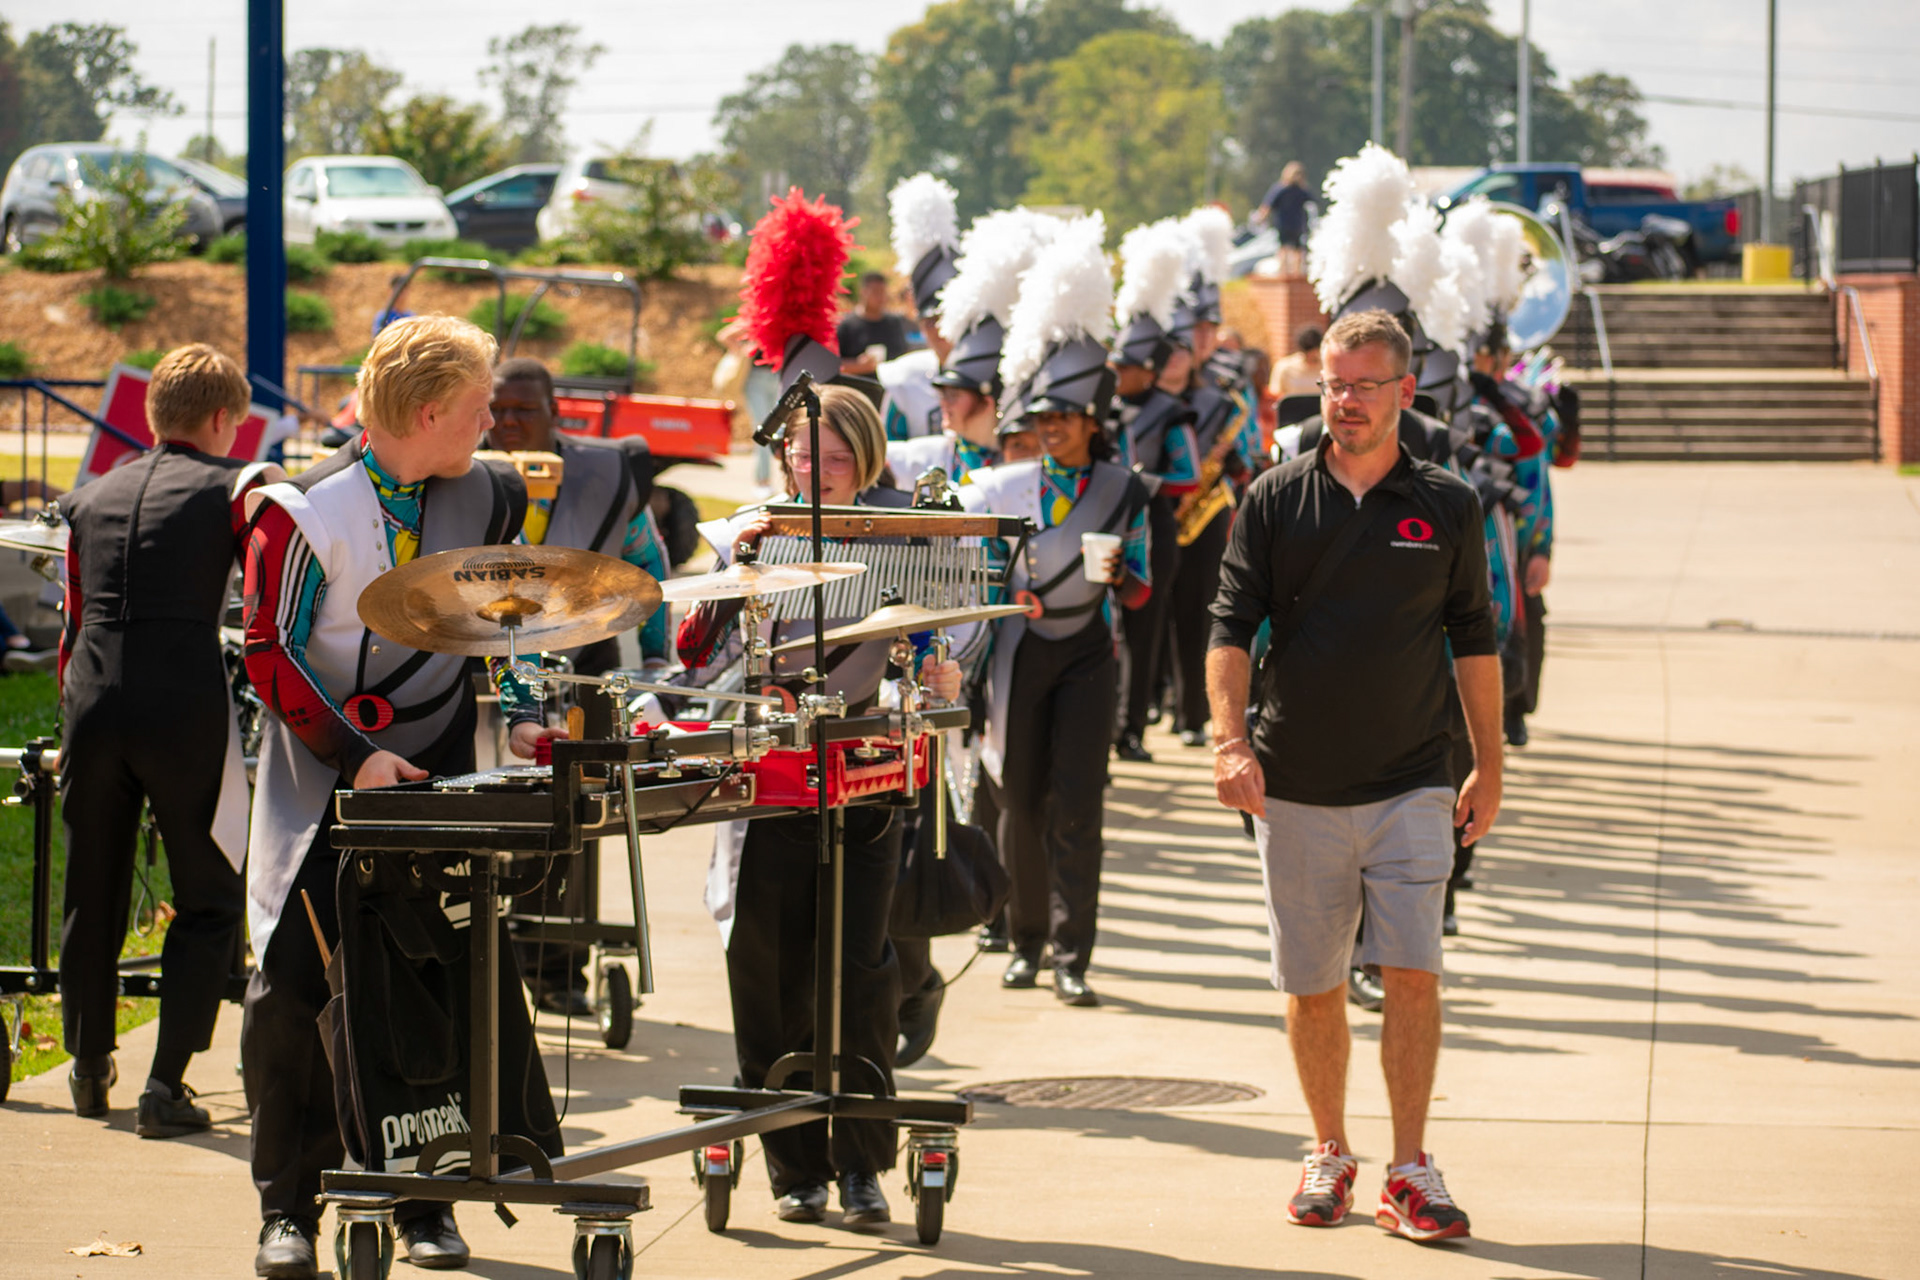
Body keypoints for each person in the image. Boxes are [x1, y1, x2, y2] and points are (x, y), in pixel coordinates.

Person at [241, 315, 539, 1279]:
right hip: (323, 776)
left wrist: (524, 715)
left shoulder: (490, 491)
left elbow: (504, 621)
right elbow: (267, 652)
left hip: (440, 768)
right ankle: (289, 1211)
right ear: (426, 412)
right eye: (479, 406)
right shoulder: (297, 510)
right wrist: (354, 754)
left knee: (435, 981)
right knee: (298, 989)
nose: (493, 423)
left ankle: (426, 1200)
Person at [1204, 310, 1502, 1245]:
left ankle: (1410, 1169)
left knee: (1413, 972)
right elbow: (1228, 625)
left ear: (1406, 392)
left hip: (1414, 779)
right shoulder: (1274, 499)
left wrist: (1489, 765)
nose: (1344, 402)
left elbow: (1475, 637)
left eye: (1365, 386)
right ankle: (1329, 1150)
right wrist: (1229, 743)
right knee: (1313, 983)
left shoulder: (1448, 503)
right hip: (1295, 783)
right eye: (1333, 385)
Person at [678, 385, 961, 1227]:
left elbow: (941, 636)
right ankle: (791, 1163)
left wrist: (937, 667)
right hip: (769, 767)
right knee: (768, 961)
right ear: (782, 457)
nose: (819, 471)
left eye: (838, 458)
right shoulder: (747, 529)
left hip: (865, 766)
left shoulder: (899, 535)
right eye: (805, 456)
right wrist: (734, 571)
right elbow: (692, 655)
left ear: (867, 461)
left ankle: (863, 1161)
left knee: (860, 967)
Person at [55, 344, 279, 1133]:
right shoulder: (238, 486)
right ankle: (165, 1085)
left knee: (92, 888)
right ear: (222, 418)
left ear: (154, 414)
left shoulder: (91, 496)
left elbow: (72, 619)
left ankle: (88, 1067)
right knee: (209, 896)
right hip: (183, 699)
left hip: (91, 697)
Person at [962, 213, 1150, 1008]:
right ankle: (1026, 939)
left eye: (1062, 419)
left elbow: (1143, 588)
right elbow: (973, 578)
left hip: (1087, 653)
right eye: (1039, 420)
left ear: (1091, 422)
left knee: (1079, 806)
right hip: (1021, 653)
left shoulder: (1125, 489)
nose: (1048, 430)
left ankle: (1074, 954)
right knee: (1019, 799)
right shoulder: (1006, 487)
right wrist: (1006, 596)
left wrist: (1117, 575)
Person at [485, 356, 673, 1015]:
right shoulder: (461, 471)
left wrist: (658, 661)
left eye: (523, 410)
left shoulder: (605, 474)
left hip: (579, 664)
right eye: (497, 410)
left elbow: (645, 562)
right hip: (480, 664)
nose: (508, 422)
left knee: (571, 816)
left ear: (556, 413)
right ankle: (485, 962)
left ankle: (557, 968)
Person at [1107, 218, 1201, 763]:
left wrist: (1141, 482)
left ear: (1147, 369)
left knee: (1144, 634)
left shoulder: (1172, 411)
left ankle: (1133, 729)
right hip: (1108, 528)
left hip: (1154, 531)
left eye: (1126, 365)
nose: (1117, 372)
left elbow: (1189, 475)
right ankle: (1108, 723)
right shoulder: (1107, 408)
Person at [836, 272, 915, 377]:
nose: (880, 297)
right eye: (876, 292)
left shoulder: (894, 322)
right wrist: (858, 365)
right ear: (863, 292)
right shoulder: (846, 325)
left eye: (883, 292)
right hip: (860, 384)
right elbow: (832, 365)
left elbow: (904, 353)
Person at [1254, 162, 1314, 274]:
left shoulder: (1301, 191)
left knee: (1298, 250)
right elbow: (1268, 204)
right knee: (1284, 249)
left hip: (1297, 225)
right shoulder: (1280, 189)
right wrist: (1261, 217)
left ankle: (1296, 274)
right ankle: (1283, 272)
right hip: (1283, 224)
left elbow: (1312, 203)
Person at [1270, 326, 1324, 401]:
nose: (1312, 356)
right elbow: (1275, 396)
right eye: (1308, 353)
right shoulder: (1285, 367)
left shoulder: (1325, 367)